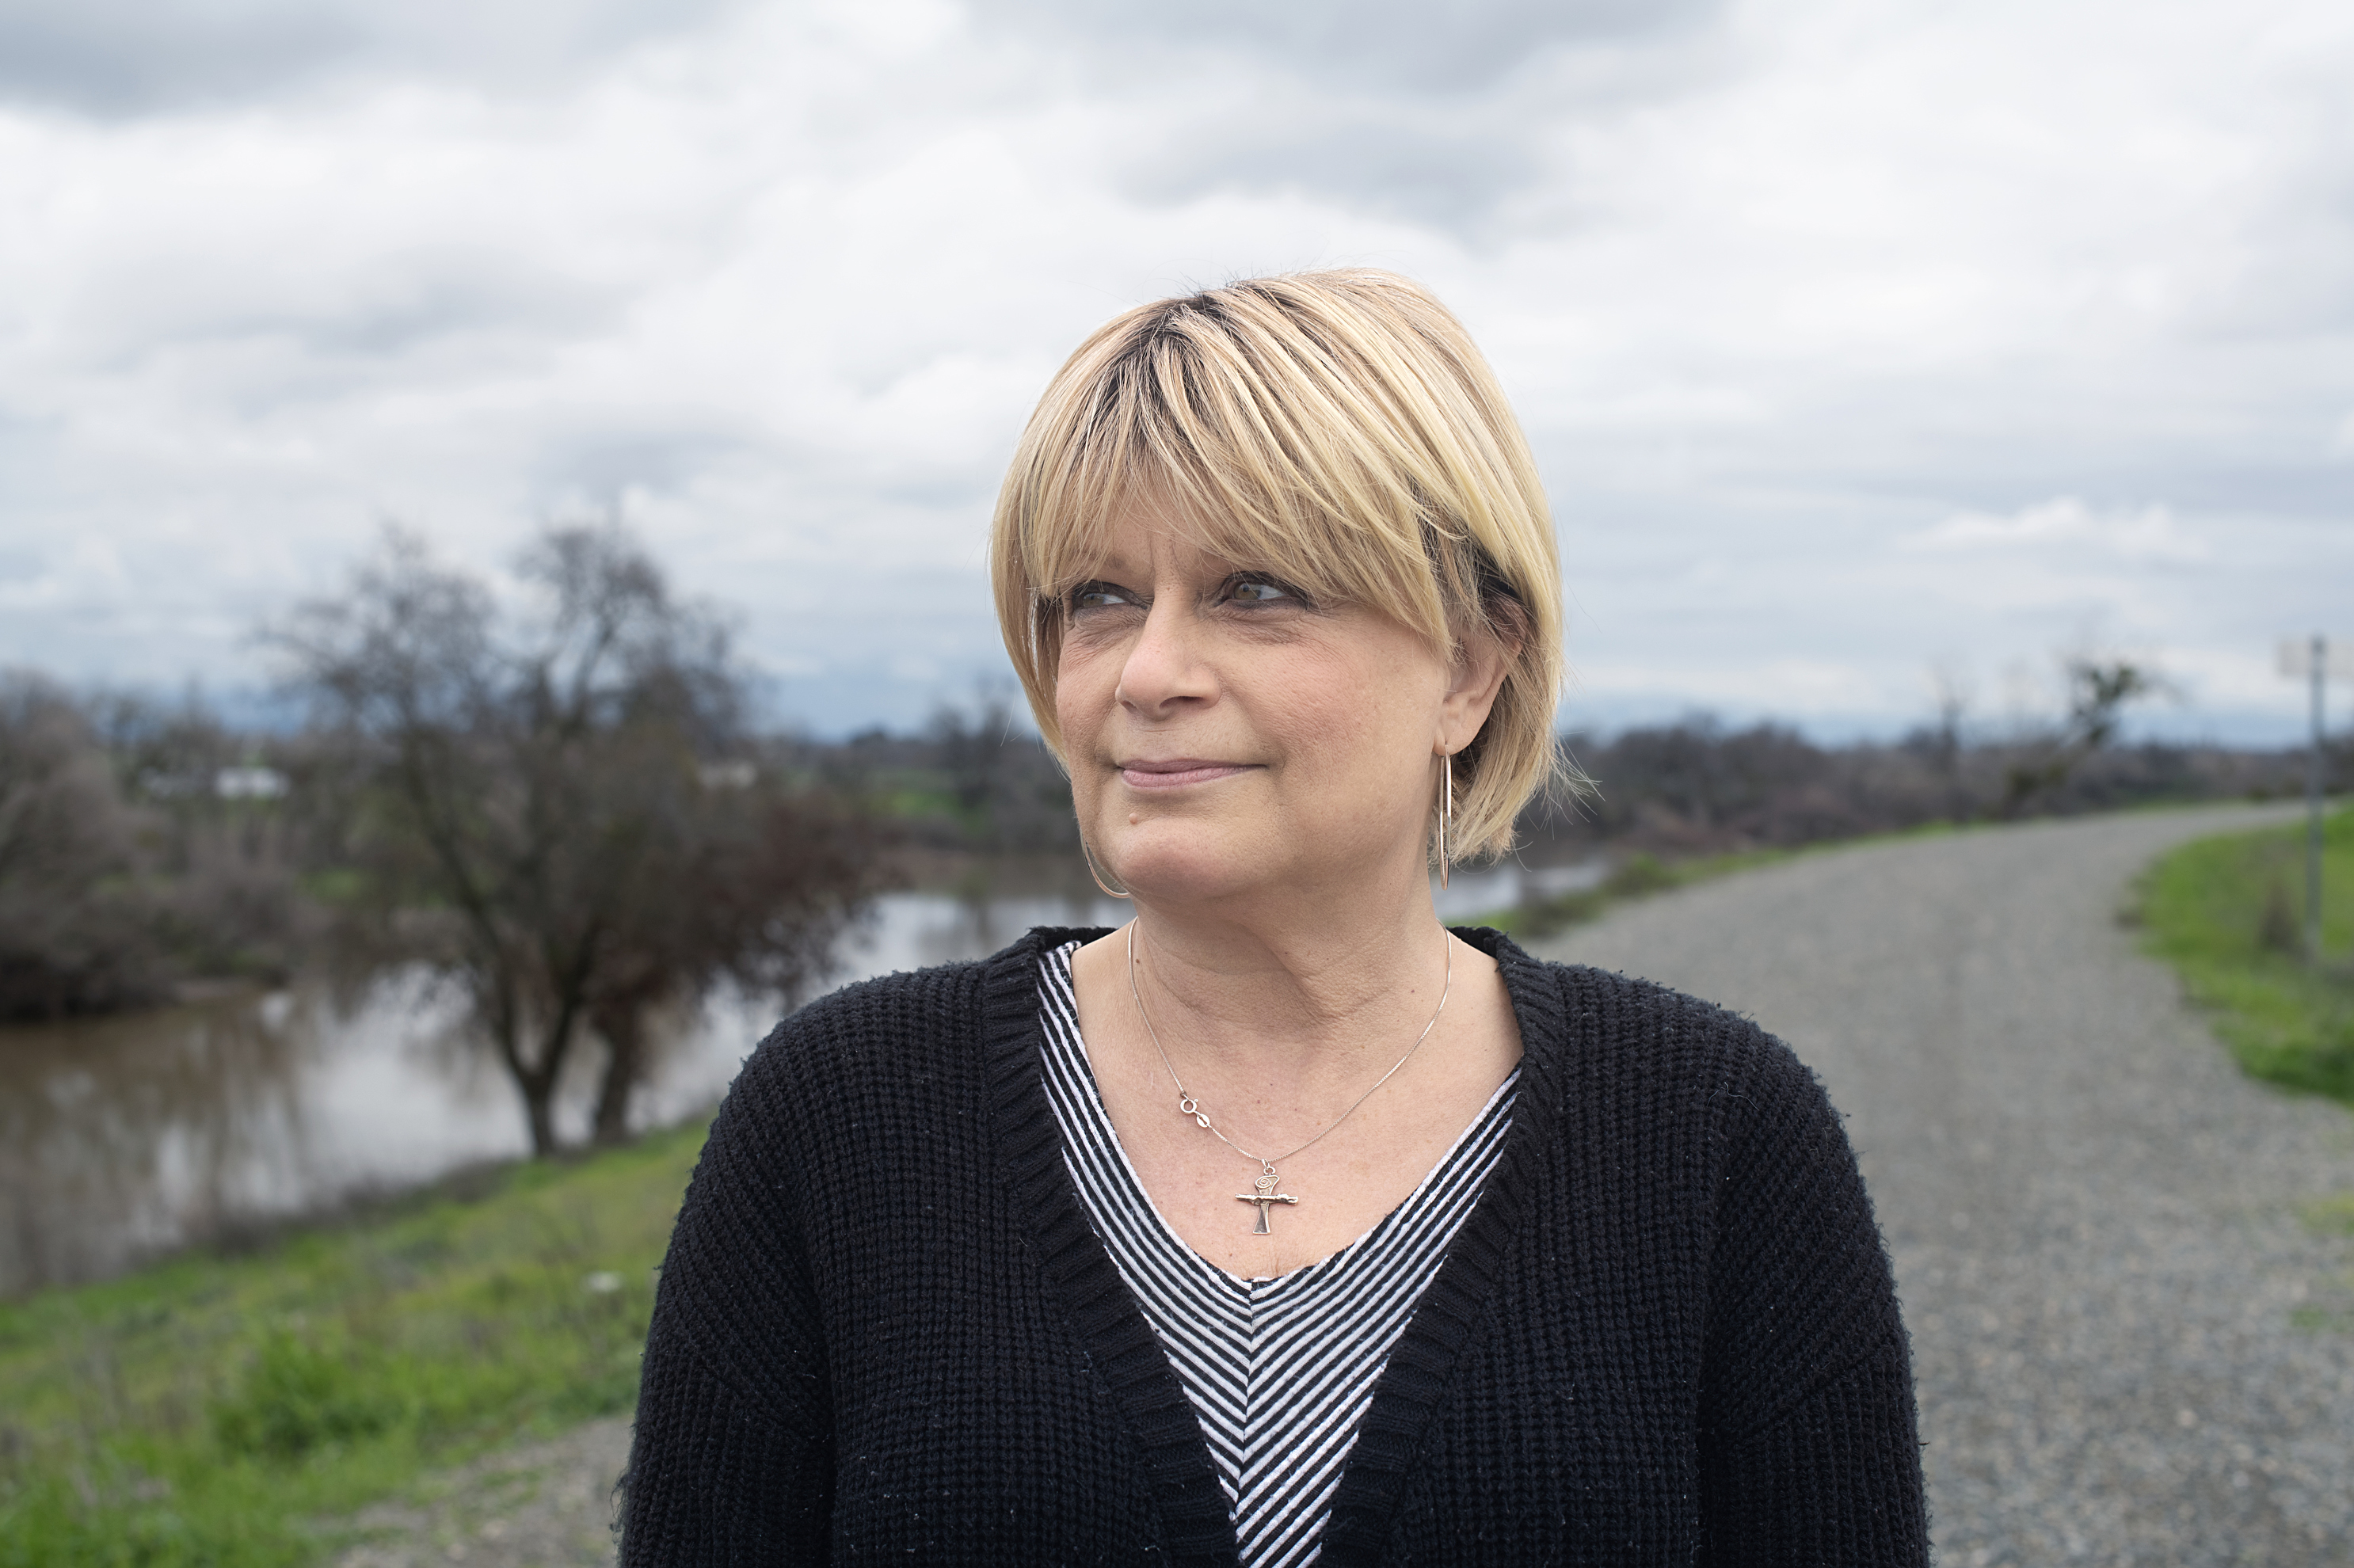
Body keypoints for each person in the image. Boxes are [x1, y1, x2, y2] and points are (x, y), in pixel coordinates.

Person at [619, 271, 1929, 1565]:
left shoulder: (1714, 1139)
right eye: (1099, 598)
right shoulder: (845, 1116)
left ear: (1471, 667)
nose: (1147, 672)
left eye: (1256, 590)